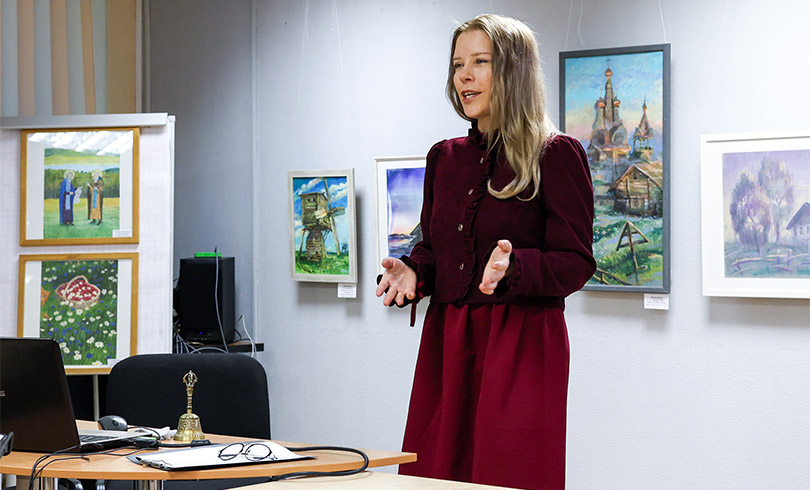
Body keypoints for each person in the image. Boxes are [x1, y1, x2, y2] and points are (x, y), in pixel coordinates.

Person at [376, 14, 596, 490]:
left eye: (480, 62)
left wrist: (516, 267)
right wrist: (414, 272)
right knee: (435, 471)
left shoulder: (556, 153)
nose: (465, 76)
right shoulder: (444, 157)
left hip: (521, 341)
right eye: (458, 64)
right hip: (448, 340)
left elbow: (576, 261)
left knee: (508, 472)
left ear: (514, 70)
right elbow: (434, 249)